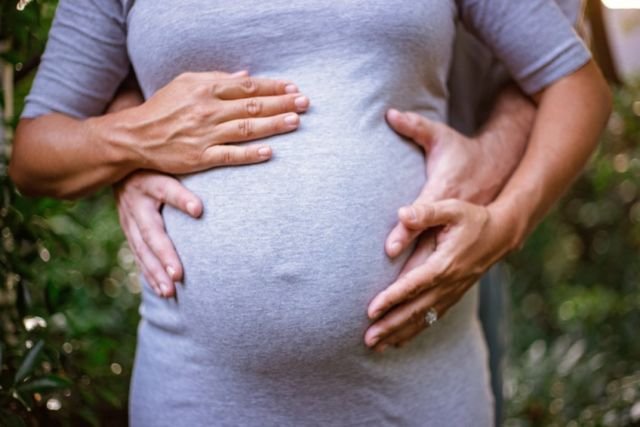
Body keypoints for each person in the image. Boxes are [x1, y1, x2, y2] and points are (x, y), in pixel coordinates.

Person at [9, 1, 610, 425]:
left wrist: (506, 224)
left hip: (417, 388)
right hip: (200, 393)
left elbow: (576, 87)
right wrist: (136, 138)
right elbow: (36, 153)